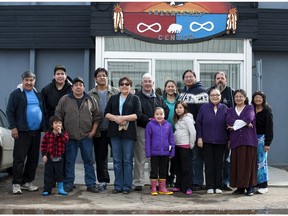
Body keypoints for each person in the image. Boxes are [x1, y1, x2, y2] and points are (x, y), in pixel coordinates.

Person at [55, 76, 102, 193]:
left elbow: (97, 116)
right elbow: (58, 115)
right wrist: (62, 131)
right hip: (69, 137)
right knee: (70, 161)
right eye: (76, 85)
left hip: (86, 136)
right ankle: (69, 184)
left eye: (80, 85)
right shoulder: (65, 100)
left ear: (84, 87)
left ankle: (91, 184)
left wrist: (93, 131)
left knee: (88, 161)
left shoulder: (90, 99)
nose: (78, 87)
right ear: (72, 88)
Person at [6, 71, 46, 194]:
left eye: (31, 80)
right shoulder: (16, 94)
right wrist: (13, 128)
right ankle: (16, 184)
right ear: (22, 80)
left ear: (34, 81)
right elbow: (10, 111)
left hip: (36, 131)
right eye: (26, 80)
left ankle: (27, 182)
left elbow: (43, 110)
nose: (29, 82)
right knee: (19, 159)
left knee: (33, 159)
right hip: (22, 132)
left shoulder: (38, 94)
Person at [105, 77, 141, 194]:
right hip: (115, 133)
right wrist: (116, 119)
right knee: (116, 160)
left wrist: (123, 118)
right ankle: (118, 186)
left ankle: (127, 186)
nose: (124, 86)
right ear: (119, 86)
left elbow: (137, 115)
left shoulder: (135, 98)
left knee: (127, 160)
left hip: (128, 133)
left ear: (130, 86)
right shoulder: (113, 98)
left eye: (127, 84)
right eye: (122, 84)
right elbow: (106, 113)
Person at [133, 73, 169, 191]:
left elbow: (166, 111)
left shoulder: (159, 98)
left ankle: (153, 182)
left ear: (153, 83)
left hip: (157, 132)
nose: (148, 83)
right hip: (142, 129)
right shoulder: (137, 97)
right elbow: (137, 113)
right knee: (140, 157)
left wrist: (157, 121)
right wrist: (149, 120)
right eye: (145, 81)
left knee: (154, 158)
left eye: (150, 81)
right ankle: (138, 182)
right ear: (142, 83)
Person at [88, 67, 119, 192]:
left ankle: (119, 181)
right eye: (99, 76)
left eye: (104, 75)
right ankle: (103, 181)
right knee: (101, 157)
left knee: (117, 157)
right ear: (95, 79)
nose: (102, 77)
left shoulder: (116, 92)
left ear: (107, 77)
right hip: (98, 130)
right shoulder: (90, 94)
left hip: (114, 129)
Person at [178, 69, 209, 190]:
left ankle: (197, 182)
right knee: (188, 158)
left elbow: (203, 113)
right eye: (186, 77)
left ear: (195, 78)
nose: (188, 79)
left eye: (191, 76)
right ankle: (189, 180)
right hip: (184, 130)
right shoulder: (183, 92)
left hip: (195, 130)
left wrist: (199, 132)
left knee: (196, 157)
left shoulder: (201, 91)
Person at [196, 88, 228, 194]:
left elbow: (228, 125)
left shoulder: (225, 108)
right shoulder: (204, 108)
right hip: (207, 141)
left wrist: (229, 139)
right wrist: (199, 137)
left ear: (220, 97)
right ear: (209, 97)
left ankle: (218, 186)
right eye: (213, 95)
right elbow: (199, 123)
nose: (215, 97)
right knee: (209, 164)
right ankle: (210, 186)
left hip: (221, 141)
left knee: (219, 164)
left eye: (217, 95)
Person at [226, 89, 258, 196]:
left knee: (249, 164)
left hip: (248, 140)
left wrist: (234, 127)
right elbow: (228, 120)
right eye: (236, 97)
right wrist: (245, 123)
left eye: (241, 96)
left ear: (245, 98)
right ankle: (240, 187)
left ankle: (250, 187)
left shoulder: (250, 107)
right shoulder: (230, 110)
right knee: (237, 164)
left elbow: (249, 117)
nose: (238, 98)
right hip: (235, 141)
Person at [208, 71, 235, 191]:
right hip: (211, 135)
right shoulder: (208, 93)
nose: (220, 80)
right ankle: (212, 184)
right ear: (214, 81)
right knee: (213, 161)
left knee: (226, 160)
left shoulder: (232, 93)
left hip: (228, 133)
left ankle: (225, 182)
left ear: (226, 80)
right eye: (218, 78)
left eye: (222, 78)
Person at [145, 107, 175, 196]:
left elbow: (171, 139)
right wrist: (148, 153)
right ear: (154, 115)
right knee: (154, 170)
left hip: (165, 153)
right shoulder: (150, 125)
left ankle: (162, 188)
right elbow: (147, 140)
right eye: (157, 114)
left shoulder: (168, 125)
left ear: (164, 115)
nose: (159, 116)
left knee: (163, 170)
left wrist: (171, 152)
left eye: (161, 114)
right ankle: (154, 187)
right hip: (154, 153)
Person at [251, 91, 274, 194]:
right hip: (250, 138)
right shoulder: (250, 109)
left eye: (260, 98)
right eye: (256, 97)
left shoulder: (267, 111)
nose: (258, 99)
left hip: (262, 139)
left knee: (262, 162)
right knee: (252, 162)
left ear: (263, 99)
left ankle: (263, 185)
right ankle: (255, 183)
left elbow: (269, 128)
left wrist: (267, 143)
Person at [40, 115, 68, 196]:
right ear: (52, 125)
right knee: (48, 174)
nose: (58, 125)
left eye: (59, 123)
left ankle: (60, 189)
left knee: (60, 174)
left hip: (59, 158)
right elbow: (43, 145)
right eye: (55, 123)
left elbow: (66, 140)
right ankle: (47, 189)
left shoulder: (64, 133)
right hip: (49, 158)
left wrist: (60, 133)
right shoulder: (48, 134)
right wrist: (44, 155)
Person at [172, 101, 196, 195]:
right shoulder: (178, 119)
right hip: (177, 145)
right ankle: (178, 185)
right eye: (177, 108)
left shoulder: (187, 119)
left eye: (180, 108)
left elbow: (193, 132)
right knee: (178, 167)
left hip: (185, 146)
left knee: (186, 168)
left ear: (184, 109)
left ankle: (188, 187)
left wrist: (191, 144)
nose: (178, 110)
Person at [41, 65, 72, 129]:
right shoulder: (46, 90)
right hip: (51, 126)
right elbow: (44, 110)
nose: (60, 76)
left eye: (62, 74)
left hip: (68, 125)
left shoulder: (72, 89)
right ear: (54, 76)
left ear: (66, 76)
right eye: (58, 74)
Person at [162, 80, 179, 187]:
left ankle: (172, 177)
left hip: (177, 132)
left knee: (174, 157)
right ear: (165, 88)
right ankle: (165, 178)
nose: (170, 88)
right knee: (165, 157)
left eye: (172, 86)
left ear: (175, 88)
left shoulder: (179, 100)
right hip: (164, 133)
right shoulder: (161, 100)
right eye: (168, 86)